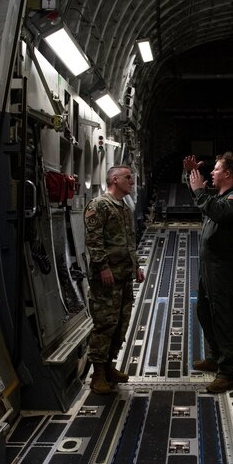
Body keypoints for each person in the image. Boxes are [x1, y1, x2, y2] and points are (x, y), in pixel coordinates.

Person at [183, 152, 233, 393]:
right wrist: (192, 175)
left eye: (216, 169)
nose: (212, 172)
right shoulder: (219, 196)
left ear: (228, 174)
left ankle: (228, 372)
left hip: (223, 268)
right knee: (205, 310)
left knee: (223, 317)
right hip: (209, 267)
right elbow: (201, 198)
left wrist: (200, 190)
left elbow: (217, 211)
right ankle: (216, 356)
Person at [84, 165, 145, 394]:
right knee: (105, 323)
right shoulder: (99, 206)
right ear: (115, 180)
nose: (131, 181)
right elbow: (94, 241)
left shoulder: (124, 209)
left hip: (124, 277)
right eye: (128, 177)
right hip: (106, 278)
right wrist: (103, 268)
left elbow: (129, 242)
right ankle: (97, 373)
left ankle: (109, 366)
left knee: (121, 323)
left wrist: (136, 266)